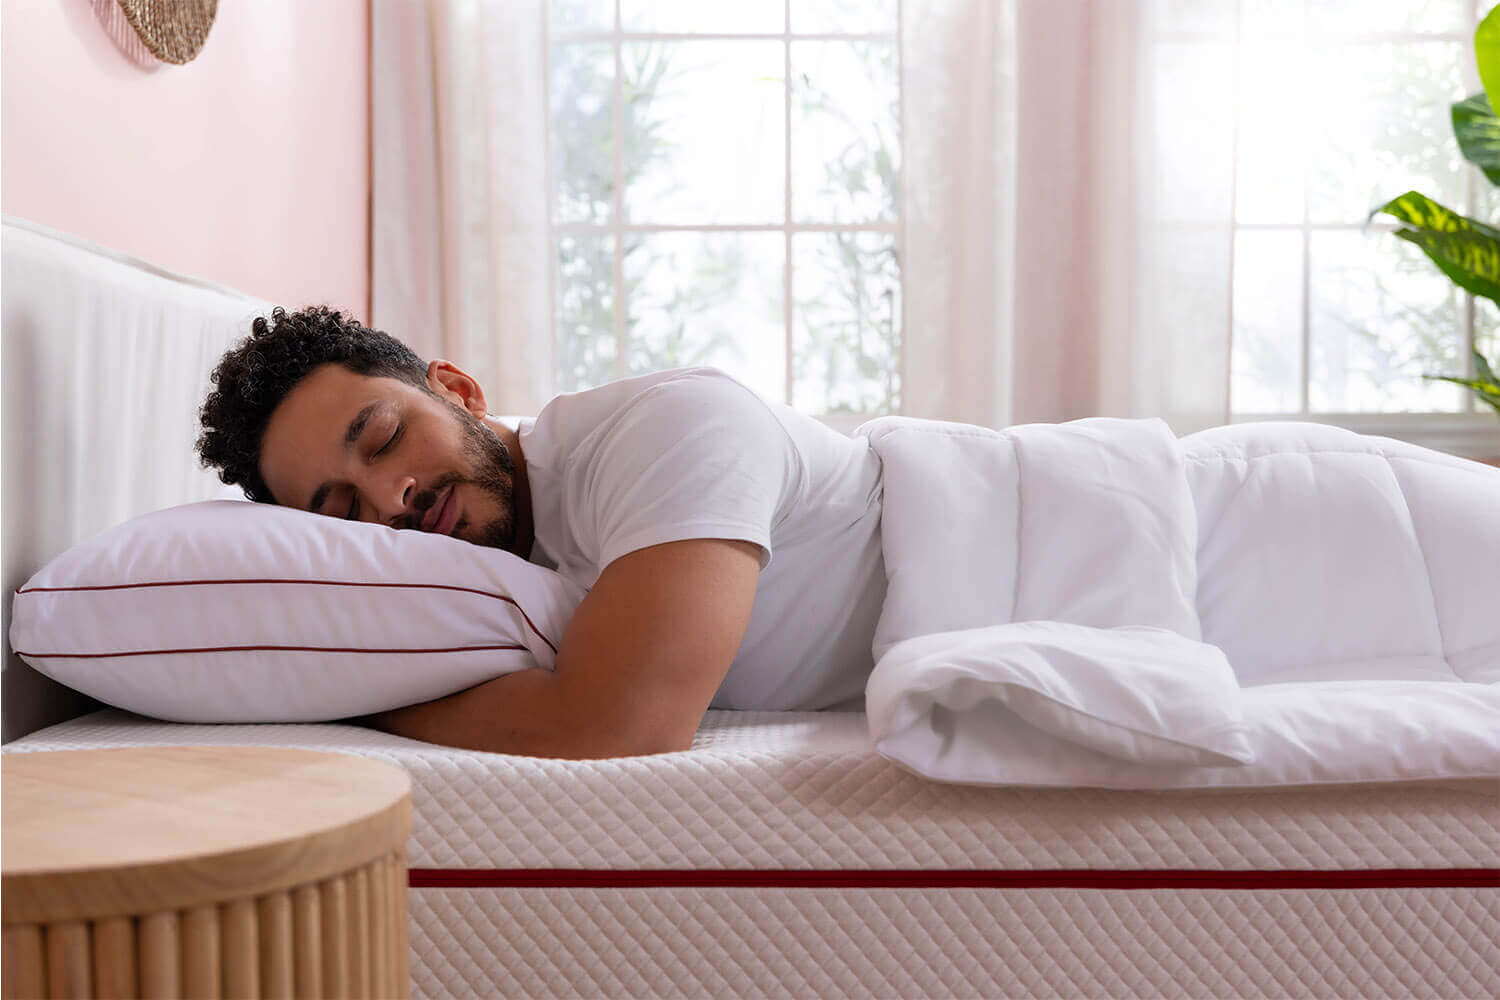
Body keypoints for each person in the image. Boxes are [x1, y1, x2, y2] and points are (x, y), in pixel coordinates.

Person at [196, 305, 886, 759]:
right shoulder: (469, 585)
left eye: (385, 438)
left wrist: (355, 703)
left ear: (458, 390)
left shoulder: (675, 427)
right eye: (344, 512)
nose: (390, 496)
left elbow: (618, 726)